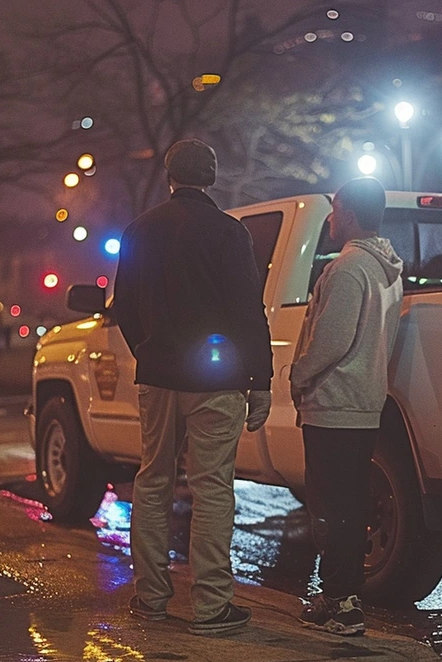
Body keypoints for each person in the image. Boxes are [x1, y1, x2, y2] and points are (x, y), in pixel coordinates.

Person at [112, 139, 273, 636]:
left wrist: (147, 350)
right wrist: (259, 380)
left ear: (169, 176)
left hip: (158, 375)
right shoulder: (230, 232)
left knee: (153, 480)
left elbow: (123, 305)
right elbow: (249, 310)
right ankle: (210, 605)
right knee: (212, 488)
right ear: (213, 177)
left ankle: (151, 597)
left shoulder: (140, 230)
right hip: (217, 380)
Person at [290, 177, 402, 636]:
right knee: (350, 505)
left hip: (333, 403)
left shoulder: (347, 269)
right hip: (363, 402)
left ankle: (340, 603)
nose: (330, 219)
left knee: (330, 508)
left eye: (335, 211)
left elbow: (330, 342)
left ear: (350, 215)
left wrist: (298, 375)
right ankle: (342, 595)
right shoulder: (386, 269)